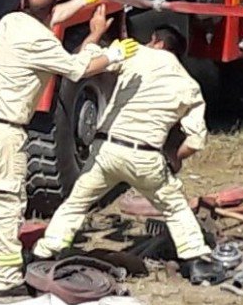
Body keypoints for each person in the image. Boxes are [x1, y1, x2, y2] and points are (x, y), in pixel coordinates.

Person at [0, 0, 140, 298]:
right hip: (1, 132)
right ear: (46, 9)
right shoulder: (42, 44)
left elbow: (49, 17)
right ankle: (6, 278)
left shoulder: (11, 22)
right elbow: (78, 68)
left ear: (24, 5)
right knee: (6, 205)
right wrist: (111, 52)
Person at [32, 27, 224, 283]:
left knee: (76, 203)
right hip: (146, 155)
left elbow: (87, 61)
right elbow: (196, 140)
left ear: (156, 41)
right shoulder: (189, 85)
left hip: (107, 150)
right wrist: (175, 157)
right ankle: (197, 261)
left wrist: (95, 33)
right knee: (175, 207)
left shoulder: (136, 54)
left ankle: (46, 253)